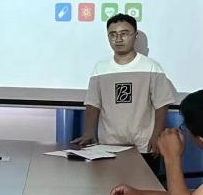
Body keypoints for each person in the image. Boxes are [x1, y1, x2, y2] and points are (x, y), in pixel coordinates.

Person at [72, 13, 176, 174]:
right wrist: (89, 131)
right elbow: (93, 103)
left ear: (136, 35)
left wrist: (156, 136)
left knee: (144, 187)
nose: (118, 39)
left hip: (144, 146)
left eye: (124, 33)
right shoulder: (100, 68)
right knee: (108, 186)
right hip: (108, 146)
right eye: (113, 35)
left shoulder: (151, 67)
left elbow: (161, 105)